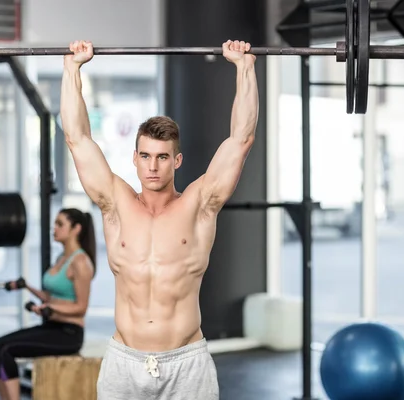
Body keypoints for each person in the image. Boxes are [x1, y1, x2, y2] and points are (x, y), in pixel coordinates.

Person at [61, 38, 258, 400]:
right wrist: (72, 69)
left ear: (177, 161)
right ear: (134, 158)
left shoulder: (199, 205)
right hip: (124, 362)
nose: (153, 166)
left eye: (163, 157)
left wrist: (244, 68)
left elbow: (240, 139)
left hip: (187, 364)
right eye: (146, 156)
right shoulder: (115, 204)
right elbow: (77, 138)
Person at [0, 208, 97, 400]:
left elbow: (81, 307)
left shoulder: (80, 262)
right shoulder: (61, 259)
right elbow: (50, 297)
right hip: (51, 327)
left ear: (76, 229)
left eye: (60, 224)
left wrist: (51, 308)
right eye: (54, 224)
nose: (54, 228)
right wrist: (27, 287)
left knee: (5, 351)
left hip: (69, 334)